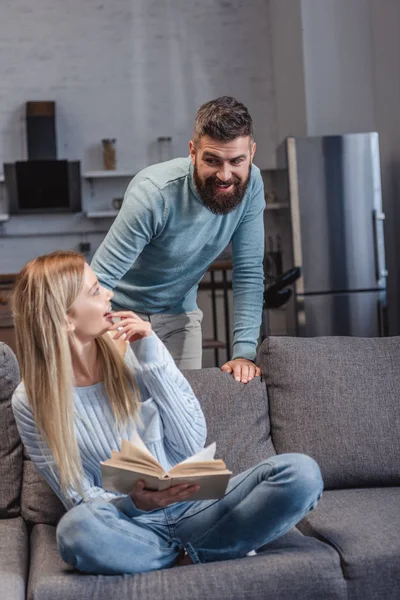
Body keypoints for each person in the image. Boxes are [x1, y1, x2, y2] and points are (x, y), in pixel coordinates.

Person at [11, 251, 323, 575]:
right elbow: (79, 497)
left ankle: (185, 558)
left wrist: (150, 350)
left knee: (300, 474)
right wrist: (135, 503)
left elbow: (190, 444)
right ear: (65, 319)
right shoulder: (30, 401)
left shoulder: (135, 350)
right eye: (94, 291)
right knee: (75, 530)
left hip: (198, 505)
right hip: (132, 525)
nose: (109, 295)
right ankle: (194, 554)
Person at [91, 96, 265, 383]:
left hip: (179, 317)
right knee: (126, 415)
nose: (225, 175)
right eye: (212, 160)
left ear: (252, 153)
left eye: (236, 161)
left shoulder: (252, 185)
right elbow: (100, 281)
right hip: (119, 316)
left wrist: (244, 353)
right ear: (193, 151)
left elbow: (248, 272)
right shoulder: (153, 193)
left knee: (183, 412)